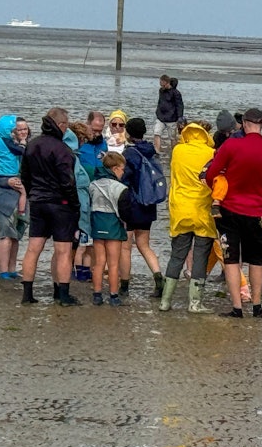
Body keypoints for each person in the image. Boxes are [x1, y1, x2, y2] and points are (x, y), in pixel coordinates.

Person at [204, 108, 262, 318]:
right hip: (256, 211)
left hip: (229, 210)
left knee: (231, 259)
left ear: (244, 123)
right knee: (256, 260)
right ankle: (257, 305)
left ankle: (237, 306)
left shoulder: (231, 145)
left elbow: (211, 173)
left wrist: (219, 186)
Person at [19, 107, 81, 306]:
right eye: (66, 125)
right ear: (61, 125)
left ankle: (27, 294)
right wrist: (75, 204)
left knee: (33, 248)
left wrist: (32, 194)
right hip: (60, 203)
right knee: (63, 250)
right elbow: (68, 181)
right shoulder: (62, 149)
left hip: (38, 201)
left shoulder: (32, 145)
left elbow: (25, 176)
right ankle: (63, 295)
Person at [160, 121, 218, 313]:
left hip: (180, 210)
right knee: (200, 257)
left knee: (177, 256)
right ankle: (195, 303)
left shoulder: (178, 151)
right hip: (202, 211)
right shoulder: (211, 153)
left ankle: (165, 301)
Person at [119, 118, 164, 297]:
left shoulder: (129, 154)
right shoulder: (151, 151)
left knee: (125, 247)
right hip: (148, 203)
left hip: (131, 204)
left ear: (128, 133)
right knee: (144, 245)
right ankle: (158, 278)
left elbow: (124, 179)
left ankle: (124, 286)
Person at [0, 115, 30, 280]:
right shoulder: (4, 146)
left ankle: (12, 269)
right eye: (18, 129)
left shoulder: (29, 147)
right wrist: (7, 181)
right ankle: (3, 271)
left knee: (16, 236)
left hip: (23, 197)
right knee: (6, 234)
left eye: (25, 129)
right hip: (4, 197)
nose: (22, 132)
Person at [89, 152, 133, 306]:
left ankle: (97, 295)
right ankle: (114, 295)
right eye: (122, 169)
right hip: (113, 224)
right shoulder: (121, 188)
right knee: (113, 264)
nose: (123, 172)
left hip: (97, 224)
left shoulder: (93, 185)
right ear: (115, 169)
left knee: (99, 262)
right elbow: (125, 212)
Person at [56, 124, 92, 291]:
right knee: (71, 245)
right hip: (74, 208)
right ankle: (67, 277)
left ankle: (66, 275)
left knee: (71, 245)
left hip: (71, 207)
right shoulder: (71, 159)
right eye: (82, 139)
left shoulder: (70, 158)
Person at [68, 121, 94, 282]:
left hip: (79, 205)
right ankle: (78, 272)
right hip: (79, 207)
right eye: (82, 139)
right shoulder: (72, 158)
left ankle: (80, 271)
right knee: (80, 245)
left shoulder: (74, 157)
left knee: (80, 244)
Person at [154, 74, 184, 154]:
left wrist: (180, 117)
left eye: (163, 85)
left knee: (172, 137)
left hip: (172, 119)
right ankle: (157, 151)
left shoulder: (176, 93)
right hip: (160, 117)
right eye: (161, 84)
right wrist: (158, 112)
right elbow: (160, 102)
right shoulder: (161, 91)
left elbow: (179, 105)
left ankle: (174, 153)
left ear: (168, 83)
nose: (162, 86)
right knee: (157, 133)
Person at [78, 111, 108, 180]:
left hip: (99, 181)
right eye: (94, 130)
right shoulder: (78, 142)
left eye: (100, 131)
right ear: (87, 124)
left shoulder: (104, 144)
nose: (97, 134)